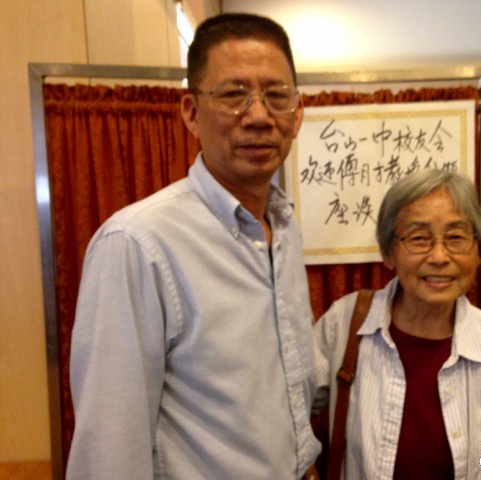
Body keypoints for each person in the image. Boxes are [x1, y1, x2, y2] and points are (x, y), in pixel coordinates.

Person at [66, 13, 320, 480]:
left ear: (297, 113)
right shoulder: (138, 244)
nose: (259, 116)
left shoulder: (284, 228)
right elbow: (110, 449)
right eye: (233, 95)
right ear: (190, 112)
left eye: (277, 95)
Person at [313, 169, 481, 479]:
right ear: (388, 252)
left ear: (478, 252)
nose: (439, 256)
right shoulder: (344, 324)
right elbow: (283, 413)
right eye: (418, 238)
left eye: (456, 238)